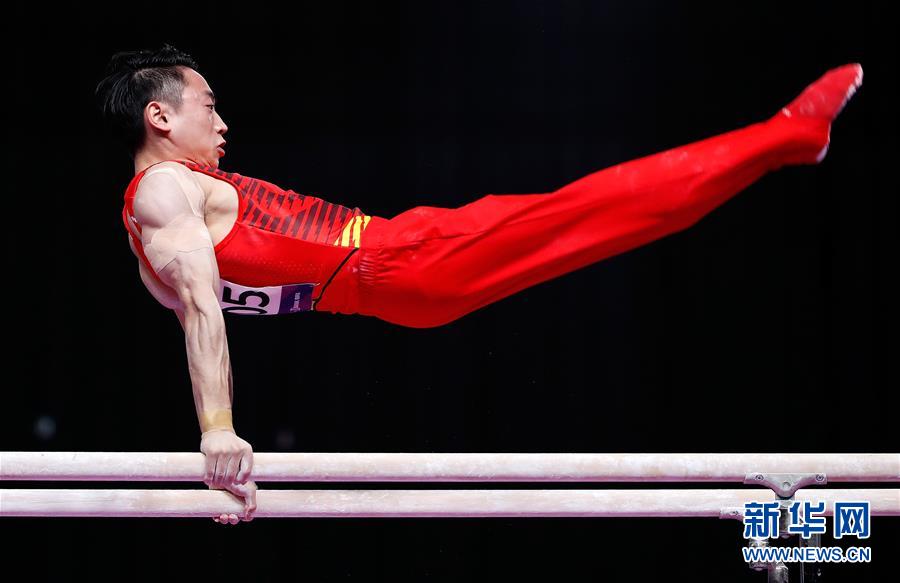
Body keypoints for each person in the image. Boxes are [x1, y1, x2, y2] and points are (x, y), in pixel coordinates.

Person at [95, 44, 863, 525]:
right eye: (208, 106)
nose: (222, 124)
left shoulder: (149, 242)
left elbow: (209, 317)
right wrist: (219, 434)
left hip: (397, 279)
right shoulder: (165, 191)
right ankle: (788, 134)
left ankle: (777, 146)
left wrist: (225, 458)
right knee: (590, 206)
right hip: (400, 259)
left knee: (599, 222)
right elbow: (206, 313)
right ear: (159, 115)